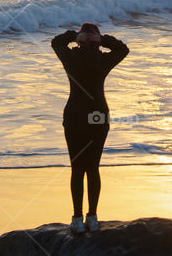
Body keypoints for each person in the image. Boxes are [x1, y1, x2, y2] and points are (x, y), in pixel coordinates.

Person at [51, 22, 128, 233]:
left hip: (74, 116)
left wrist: (74, 35)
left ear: (81, 39)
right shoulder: (103, 59)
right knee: (92, 168)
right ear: (96, 41)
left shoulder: (70, 57)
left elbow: (56, 42)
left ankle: (77, 219)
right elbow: (123, 49)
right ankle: (92, 217)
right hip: (97, 117)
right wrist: (103, 40)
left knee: (77, 169)